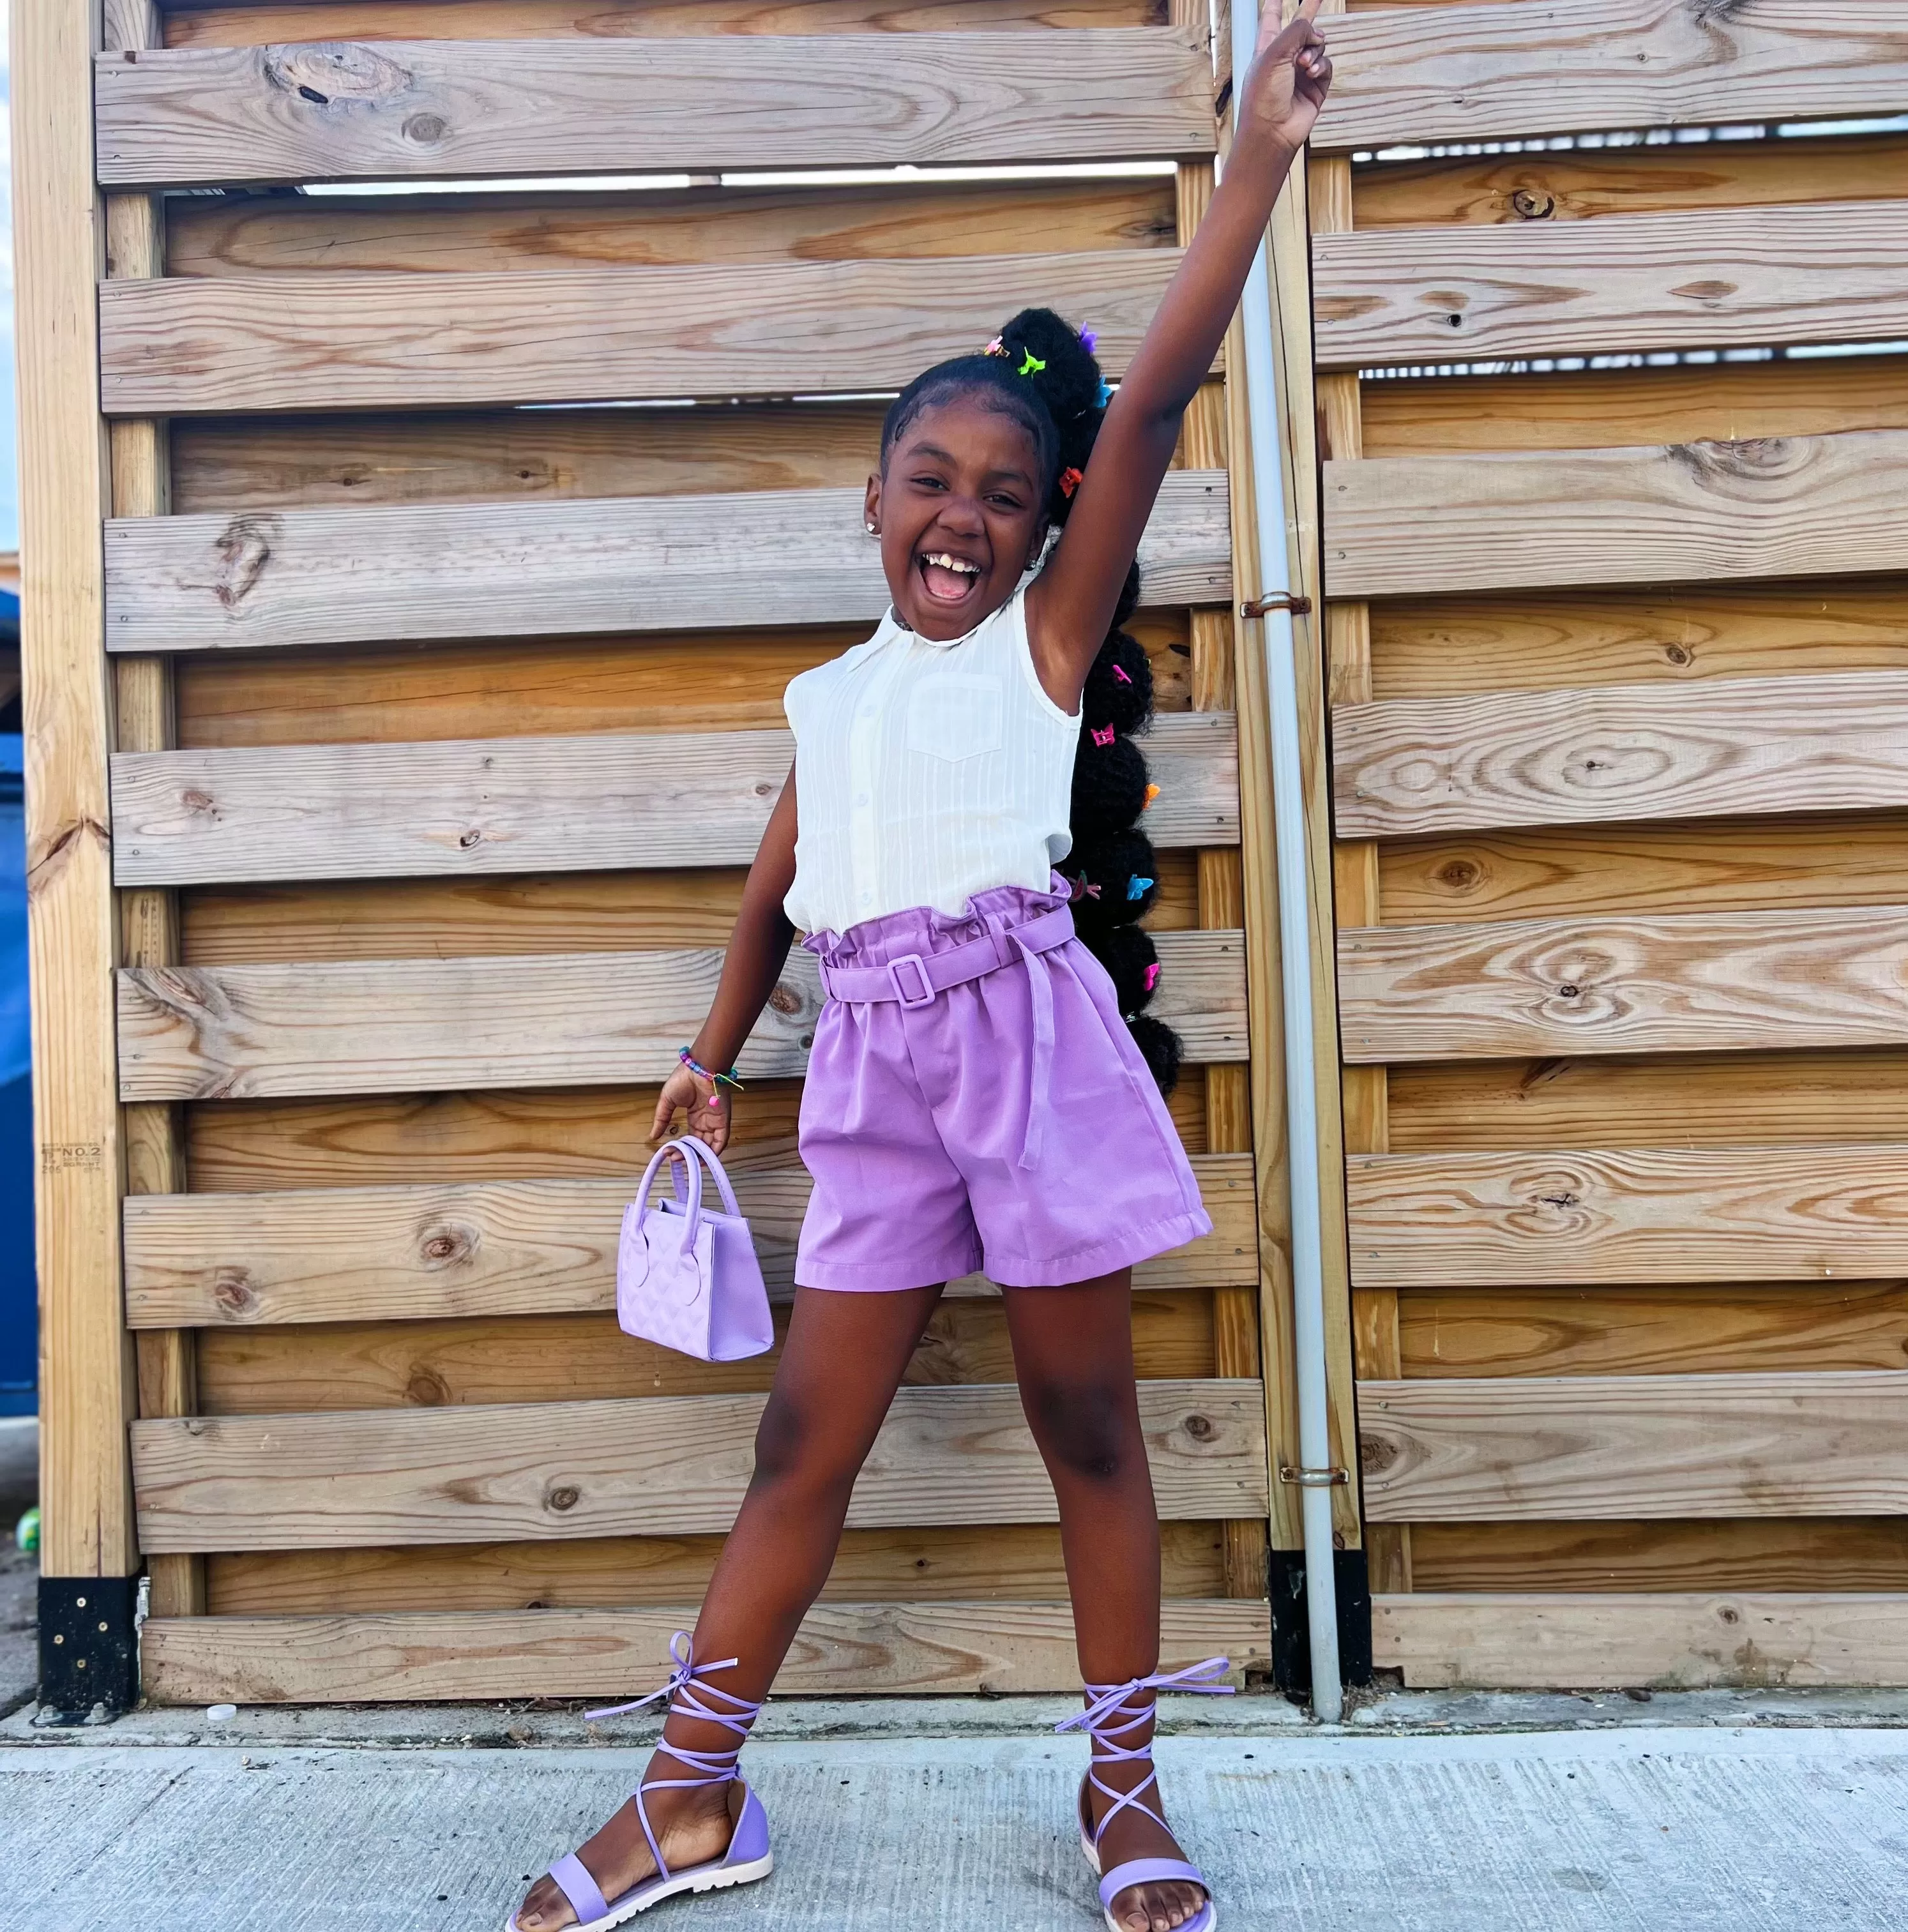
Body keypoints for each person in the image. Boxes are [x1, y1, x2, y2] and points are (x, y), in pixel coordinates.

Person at [511, 8, 1331, 1929]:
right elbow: (772, 887)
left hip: (1031, 1048)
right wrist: (710, 1053)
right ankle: (694, 1795)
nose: (963, 512)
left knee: (1087, 1429)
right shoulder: (829, 696)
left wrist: (1257, 168)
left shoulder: (1037, 657)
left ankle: (1124, 1797)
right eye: (927, 478)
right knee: (808, 1430)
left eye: (1003, 493)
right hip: (871, 1071)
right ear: (870, 499)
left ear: (1050, 532)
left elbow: (1142, 406)